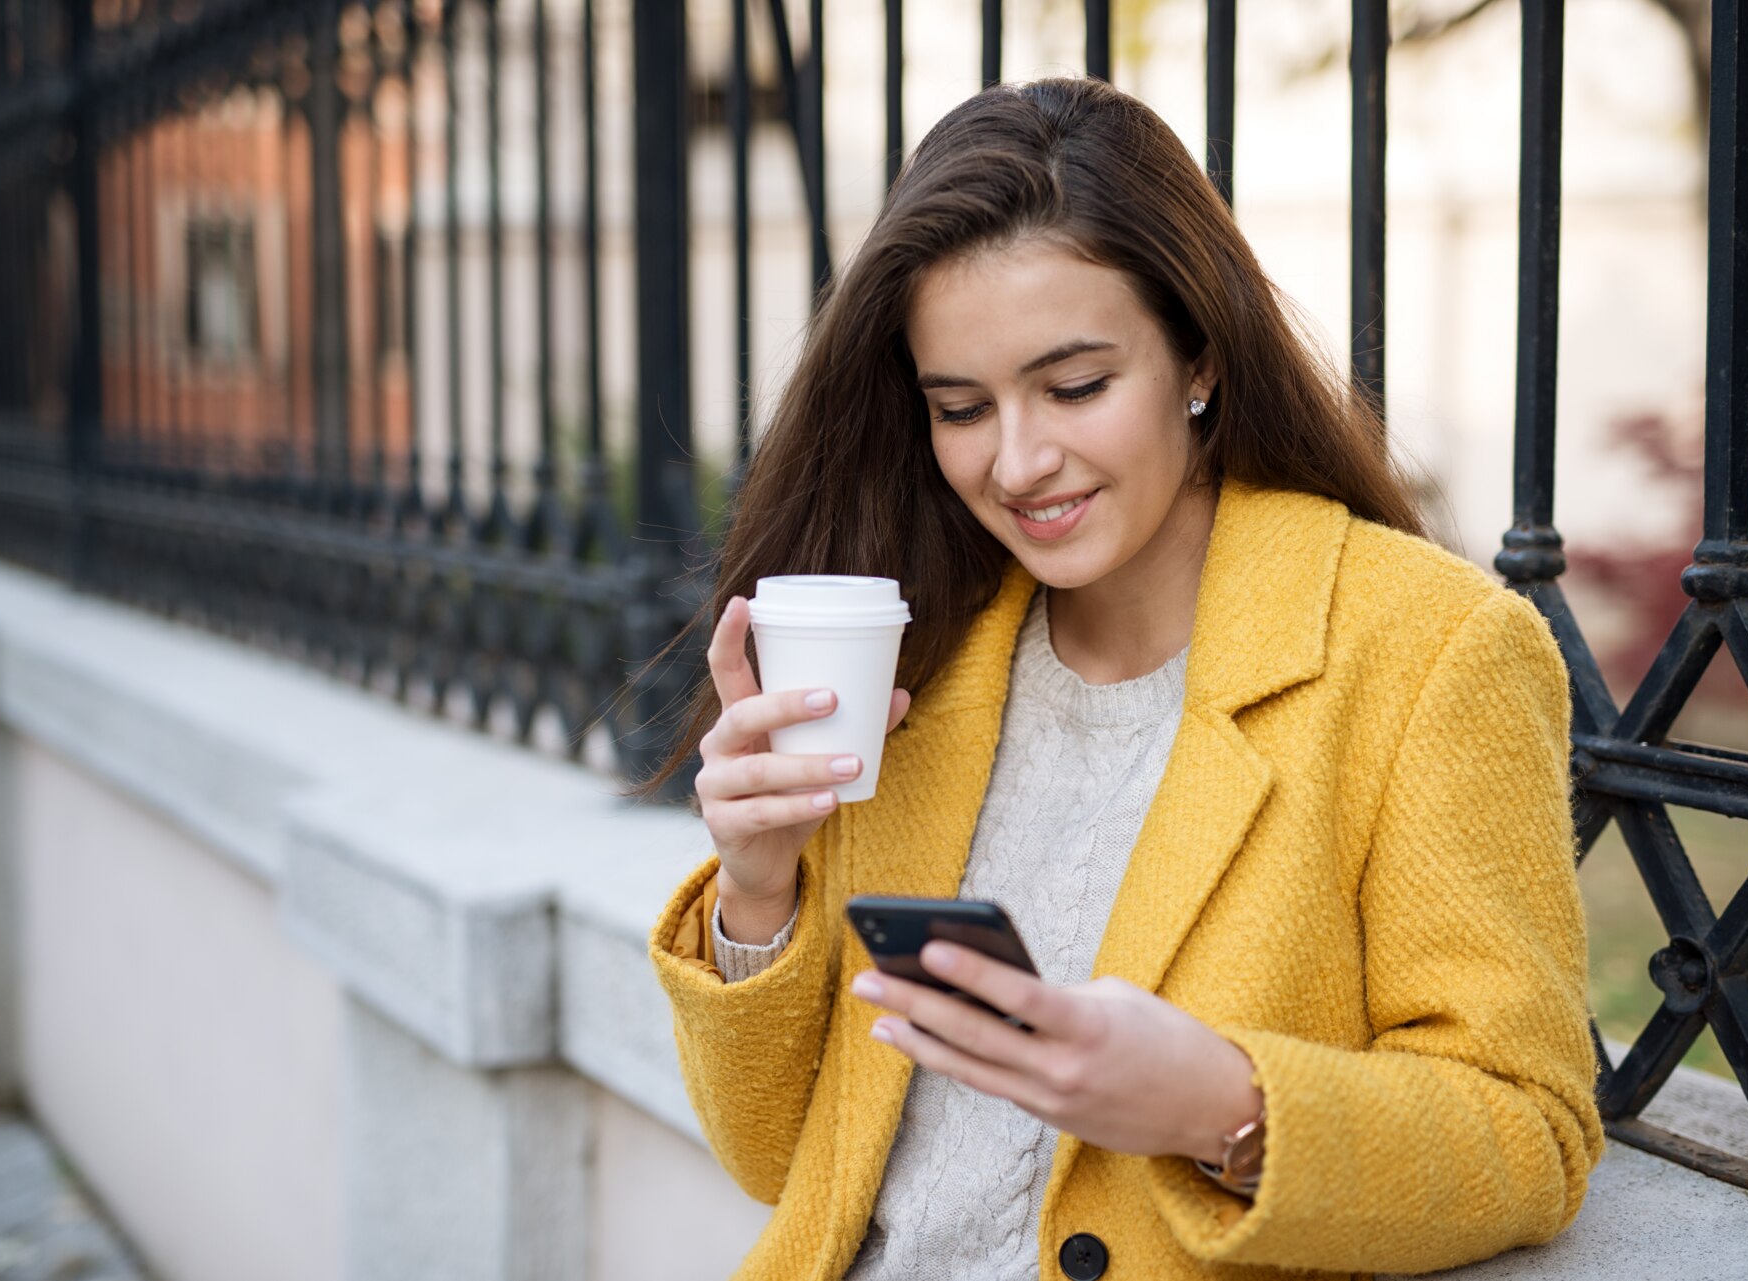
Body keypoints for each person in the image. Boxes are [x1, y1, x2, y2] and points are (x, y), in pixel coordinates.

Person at [637, 76, 1602, 1280]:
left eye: (1076, 387)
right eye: (960, 407)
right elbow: (788, 1170)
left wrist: (1225, 1108)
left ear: (1198, 355)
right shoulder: (917, 657)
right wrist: (757, 891)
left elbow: (1533, 1132)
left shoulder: (1428, 648)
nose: (1019, 462)